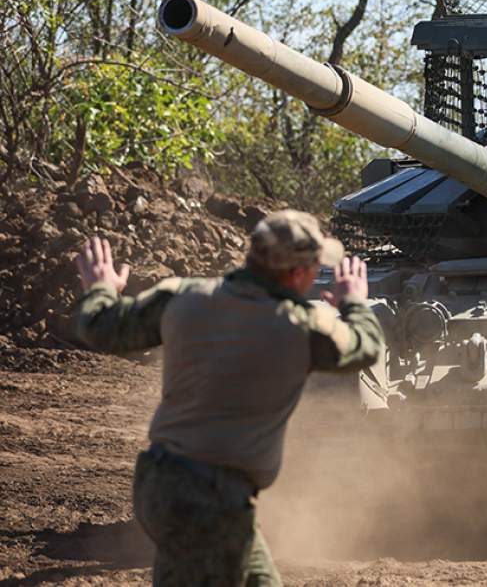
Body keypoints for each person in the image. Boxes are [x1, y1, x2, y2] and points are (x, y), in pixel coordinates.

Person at [74, 210, 385, 586]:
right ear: (297, 274)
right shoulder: (300, 326)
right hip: (211, 501)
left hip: (164, 480)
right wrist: (354, 303)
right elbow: (366, 348)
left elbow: (103, 328)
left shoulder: (182, 297)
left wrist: (101, 289)